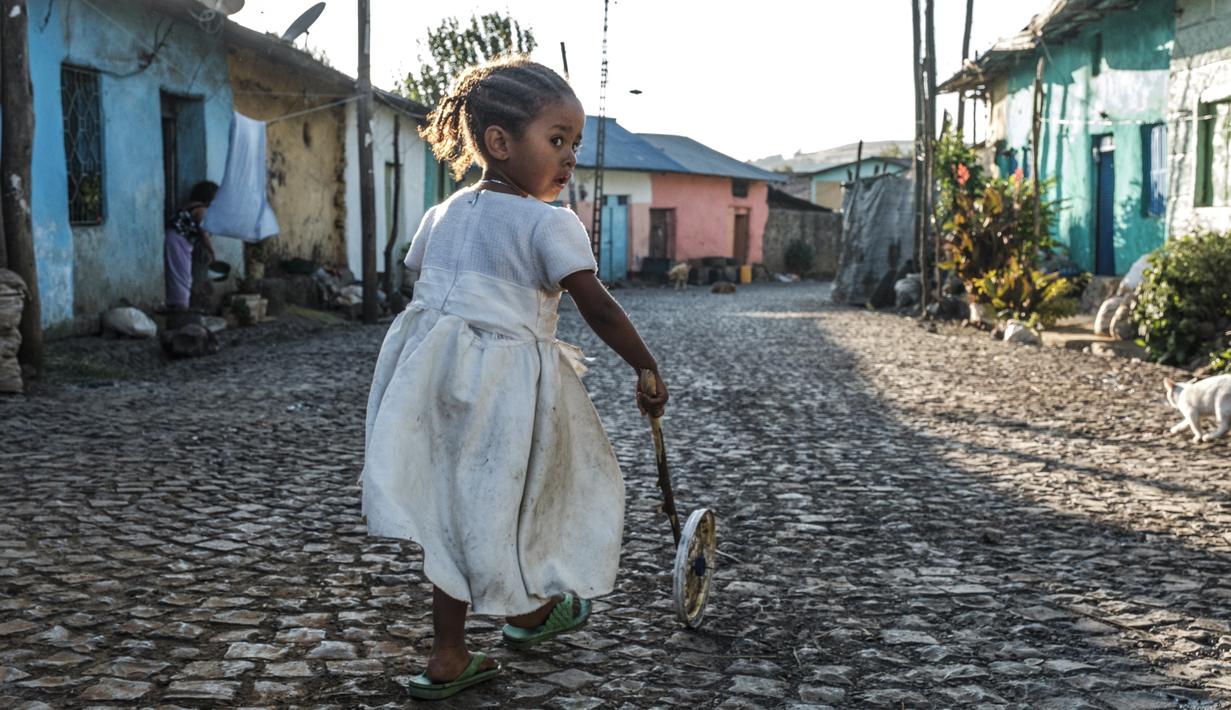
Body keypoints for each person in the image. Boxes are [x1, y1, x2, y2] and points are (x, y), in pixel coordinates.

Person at [360, 57, 667, 701]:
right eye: (557, 140)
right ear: (499, 143)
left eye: (575, 144)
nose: (570, 158)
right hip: (503, 389)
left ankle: (454, 650)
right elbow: (598, 305)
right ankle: (528, 611)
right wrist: (644, 362)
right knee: (518, 497)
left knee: (453, 511)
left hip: (429, 380)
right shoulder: (546, 222)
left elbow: (428, 285)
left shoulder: (441, 213)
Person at [163, 180, 218, 312]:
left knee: (178, 272)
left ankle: (176, 304)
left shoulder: (190, 205)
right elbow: (204, 234)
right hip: (179, 240)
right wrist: (212, 252)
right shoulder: (201, 210)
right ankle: (181, 306)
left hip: (175, 238)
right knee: (182, 275)